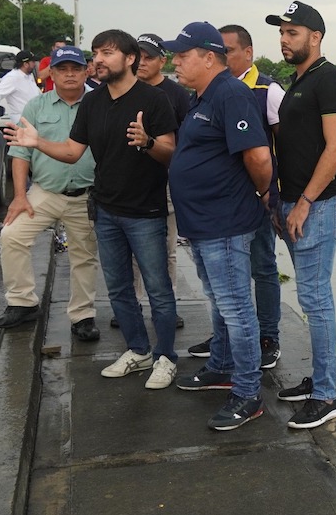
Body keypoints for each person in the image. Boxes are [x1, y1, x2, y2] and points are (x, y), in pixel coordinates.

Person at [6, 29, 180, 390]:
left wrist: (147, 142)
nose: (98, 59)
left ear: (130, 59)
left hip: (145, 212)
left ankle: (166, 357)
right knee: (117, 289)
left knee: (158, 289)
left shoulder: (155, 99)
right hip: (105, 209)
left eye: (108, 53)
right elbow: (72, 151)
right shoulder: (94, 102)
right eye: (97, 52)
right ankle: (138, 350)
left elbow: (171, 153)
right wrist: (37, 142)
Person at [164, 22, 274, 431]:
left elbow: (259, 159)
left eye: (182, 55)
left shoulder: (230, 93)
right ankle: (223, 366)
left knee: (237, 309)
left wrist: (262, 193)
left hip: (224, 222)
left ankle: (247, 393)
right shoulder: (202, 97)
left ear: (209, 57)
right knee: (218, 300)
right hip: (204, 222)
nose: (175, 61)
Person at [181, 24, 285, 371]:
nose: (227, 56)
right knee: (226, 293)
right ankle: (225, 348)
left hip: (252, 200)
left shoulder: (263, 91)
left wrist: (268, 193)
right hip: (220, 208)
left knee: (262, 268)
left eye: (231, 50)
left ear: (247, 52)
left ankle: (266, 338)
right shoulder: (204, 94)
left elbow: (275, 149)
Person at [267, 0, 336, 430]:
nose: (284, 39)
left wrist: (303, 202)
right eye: (281, 32)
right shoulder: (296, 81)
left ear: (315, 37)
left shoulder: (329, 80)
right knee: (313, 296)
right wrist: (280, 198)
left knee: (316, 300)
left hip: (319, 205)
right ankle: (322, 379)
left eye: (292, 32)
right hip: (294, 203)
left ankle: (326, 394)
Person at [0, 46, 99, 341]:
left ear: (86, 71)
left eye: (75, 68)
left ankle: (83, 316)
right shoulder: (36, 107)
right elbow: (20, 153)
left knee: (84, 256)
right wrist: (19, 196)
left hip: (87, 195)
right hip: (45, 192)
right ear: (51, 73)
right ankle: (22, 303)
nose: (69, 74)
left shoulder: (99, 103)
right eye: (62, 68)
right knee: (12, 236)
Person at [128, 33, 191, 328]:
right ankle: (132, 305)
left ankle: (169, 305)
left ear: (162, 61)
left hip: (165, 179)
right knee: (131, 249)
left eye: (149, 57)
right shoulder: (123, 89)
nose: (142, 62)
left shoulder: (177, 95)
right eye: (138, 56)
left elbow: (186, 140)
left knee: (167, 248)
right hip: (131, 179)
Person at [0, 50, 40, 123]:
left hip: (34, 118)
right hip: (22, 119)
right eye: (33, 62)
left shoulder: (29, 76)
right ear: (25, 64)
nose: (34, 64)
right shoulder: (12, 77)